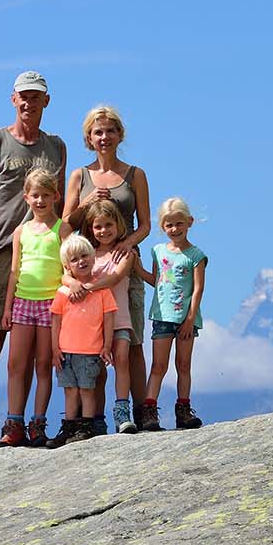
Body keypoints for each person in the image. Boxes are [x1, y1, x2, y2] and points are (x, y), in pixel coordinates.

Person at [0, 71, 67, 457]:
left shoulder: (56, 148)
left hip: (45, 256)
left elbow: (61, 205)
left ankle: (20, 423)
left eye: (36, 97)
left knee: (35, 351)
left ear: (46, 101)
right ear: (13, 100)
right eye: (23, 97)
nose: (28, 103)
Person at [61, 105, 154, 432]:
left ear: (120, 135)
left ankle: (143, 412)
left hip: (124, 262)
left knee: (133, 341)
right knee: (93, 346)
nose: (104, 137)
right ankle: (94, 418)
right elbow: (65, 225)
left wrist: (128, 243)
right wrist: (85, 204)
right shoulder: (79, 176)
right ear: (89, 138)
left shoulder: (135, 175)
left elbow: (146, 224)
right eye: (98, 132)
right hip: (90, 266)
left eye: (110, 131)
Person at [77, 197, 158, 433]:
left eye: (109, 225)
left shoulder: (126, 253)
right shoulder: (88, 254)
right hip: (95, 322)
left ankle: (122, 410)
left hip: (120, 317)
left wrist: (88, 287)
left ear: (119, 225)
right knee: (98, 369)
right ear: (91, 229)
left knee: (122, 359)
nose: (103, 231)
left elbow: (115, 278)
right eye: (98, 226)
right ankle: (96, 417)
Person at [0, 167, 63, 447]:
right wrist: (8, 307)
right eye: (35, 195)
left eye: (46, 195)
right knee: (15, 364)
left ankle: (38, 423)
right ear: (26, 197)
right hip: (23, 301)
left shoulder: (62, 228)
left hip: (51, 303)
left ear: (55, 196)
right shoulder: (20, 231)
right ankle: (14, 424)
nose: (40, 201)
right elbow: (14, 271)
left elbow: (68, 265)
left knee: (44, 365)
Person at [145, 197, 208, 431]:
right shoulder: (157, 251)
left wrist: (190, 320)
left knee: (183, 364)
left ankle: (183, 410)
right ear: (163, 227)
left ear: (189, 222)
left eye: (179, 224)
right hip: (162, 316)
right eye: (169, 225)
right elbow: (157, 281)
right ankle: (149, 412)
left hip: (186, 319)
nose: (174, 229)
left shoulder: (195, 256)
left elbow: (198, 288)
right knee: (158, 366)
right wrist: (137, 269)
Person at [48, 233, 117, 446]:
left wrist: (106, 346)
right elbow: (56, 323)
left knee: (87, 390)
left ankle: (86, 427)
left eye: (85, 256)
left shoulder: (102, 291)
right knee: (70, 391)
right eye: (75, 259)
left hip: (90, 352)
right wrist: (55, 350)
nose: (81, 261)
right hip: (66, 352)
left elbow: (109, 320)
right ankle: (69, 428)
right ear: (68, 267)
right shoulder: (62, 293)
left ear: (93, 257)